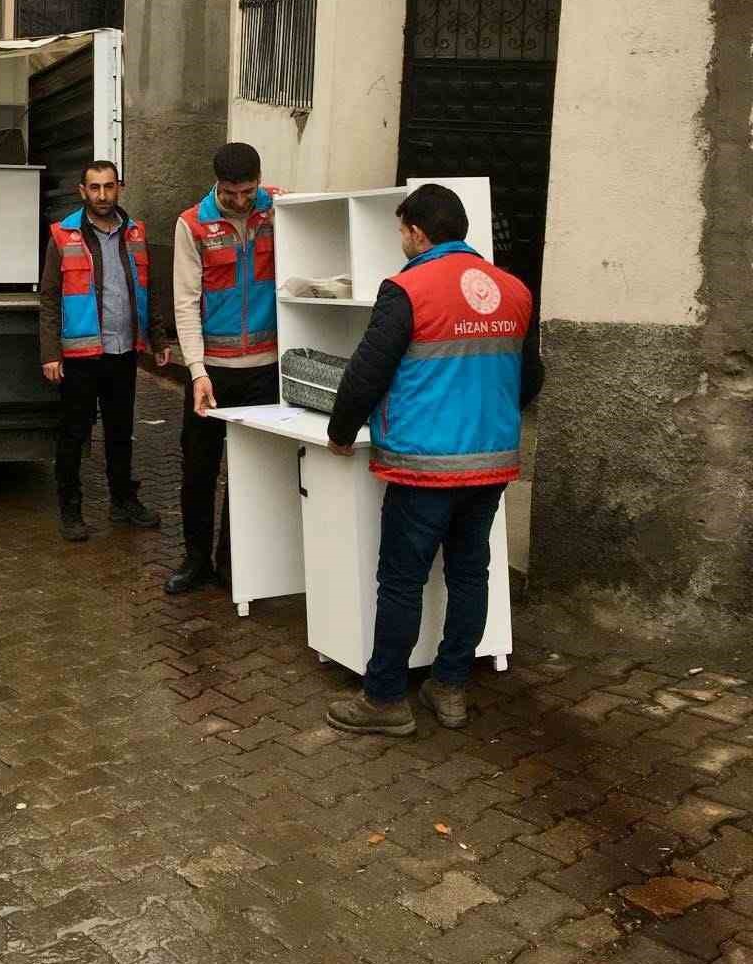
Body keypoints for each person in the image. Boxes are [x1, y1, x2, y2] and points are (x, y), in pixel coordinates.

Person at [324, 183, 544, 735]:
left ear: (418, 232)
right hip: (489, 463)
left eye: (402, 230)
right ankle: (449, 687)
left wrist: (341, 430)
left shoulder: (407, 288)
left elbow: (367, 372)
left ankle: (385, 700)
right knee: (470, 573)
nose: (402, 239)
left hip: (425, 465)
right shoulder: (514, 290)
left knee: (402, 580)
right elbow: (530, 375)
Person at [165, 142, 279, 595]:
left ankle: (235, 563)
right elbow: (186, 303)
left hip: (265, 368)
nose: (238, 201)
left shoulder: (278, 212)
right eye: (230, 193)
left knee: (252, 470)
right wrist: (196, 370)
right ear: (218, 184)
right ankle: (196, 561)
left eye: (247, 191)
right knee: (198, 468)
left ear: (258, 180)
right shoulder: (191, 224)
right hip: (213, 370)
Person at [40, 160, 170, 541]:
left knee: (120, 431)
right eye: (94, 188)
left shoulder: (135, 233)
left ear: (119, 187)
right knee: (74, 433)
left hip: (123, 351)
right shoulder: (64, 235)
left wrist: (158, 339)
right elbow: (49, 299)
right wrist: (50, 353)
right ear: (82, 191)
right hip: (80, 355)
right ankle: (71, 509)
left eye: (108, 187)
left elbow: (148, 291)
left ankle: (122, 502)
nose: (102, 195)